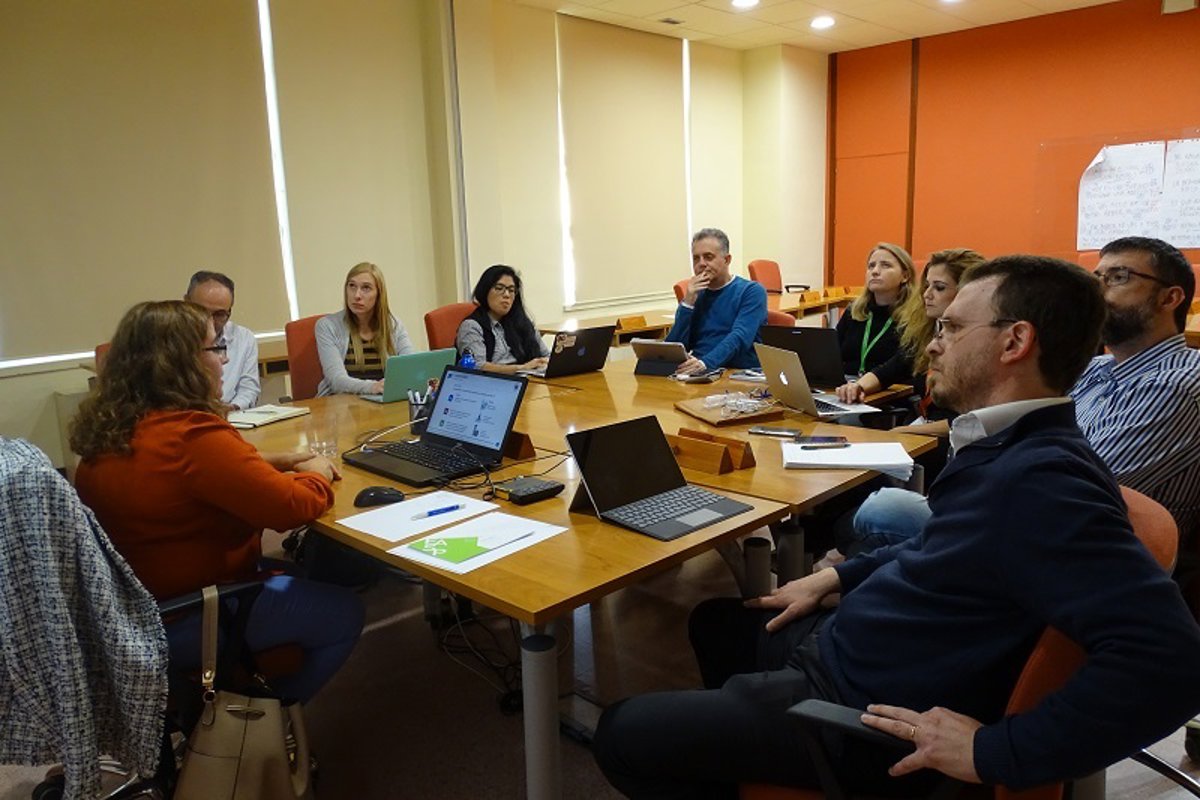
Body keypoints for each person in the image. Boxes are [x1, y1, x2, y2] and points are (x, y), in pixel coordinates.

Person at [592, 255, 1200, 798]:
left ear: (1015, 341)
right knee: (715, 623)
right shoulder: (1010, 442)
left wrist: (993, 753)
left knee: (621, 733)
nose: (933, 344)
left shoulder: (1042, 483)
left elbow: (1172, 661)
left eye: (951, 328)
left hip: (860, 708)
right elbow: (944, 544)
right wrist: (839, 578)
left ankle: (775, 748)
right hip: (857, 644)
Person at [71, 300, 364, 703]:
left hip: (135, 611)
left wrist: (275, 460)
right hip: (195, 612)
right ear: (183, 362)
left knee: (302, 572)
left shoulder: (113, 430)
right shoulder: (192, 436)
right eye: (215, 348)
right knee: (345, 611)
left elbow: (192, 473)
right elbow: (292, 507)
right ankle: (263, 719)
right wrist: (316, 472)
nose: (224, 360)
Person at [847, 236, 1200, 555]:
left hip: (1062, 545)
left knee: (881, 511)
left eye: (1118, 277)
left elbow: (1069, 491)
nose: (1099, 290)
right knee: (879, 521)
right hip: (1020, 513)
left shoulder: (1177, 383)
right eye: (1097, 277)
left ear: (1170, 298)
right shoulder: (1098, 369)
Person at [666, 228, 767, 375]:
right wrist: (687, 304)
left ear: (727, 260)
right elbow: (674, 348)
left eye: (708, 257)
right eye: (696, 258)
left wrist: (705, 363)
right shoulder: (696, 295)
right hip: (700, 371)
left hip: (737, 372)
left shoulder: (751, 291)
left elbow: (739, 337)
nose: (701, 264)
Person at [315, 261, 414, 396]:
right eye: (352, 286)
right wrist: (372, 387)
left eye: (366, 288)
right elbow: (336, 380)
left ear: (379, 294)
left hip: (381, 402)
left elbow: (410, 366)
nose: (357, 295)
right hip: (341, 403)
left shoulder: (393, 325)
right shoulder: (327, 326)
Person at [836, 243, 916, 378]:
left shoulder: (915, 316)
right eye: (871, 266)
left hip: (893, 387)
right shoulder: (854, 311)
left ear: (905, 276)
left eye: (885, 265)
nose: (875, 271)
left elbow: (904, 365)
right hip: (847, 384)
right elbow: (833, 354)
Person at [184, 270, 260, 410]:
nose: (209, 321)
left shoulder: (243, 338)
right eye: (201, 311)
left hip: (231, 415)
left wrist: (230, 408)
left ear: (229, 312)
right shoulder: (170, 341)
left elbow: (249, 390)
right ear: (186, 303)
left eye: (219, 314)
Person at [456, 264, 550, 375]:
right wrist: (523, 368)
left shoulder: (522, 322)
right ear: (485, 291)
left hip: (529, 379)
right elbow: (477, 366)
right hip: (494, 383)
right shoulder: (472, 326)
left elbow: (546, 355)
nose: (506, 295)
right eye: (499, 288)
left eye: (511, 290)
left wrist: (545, 362)